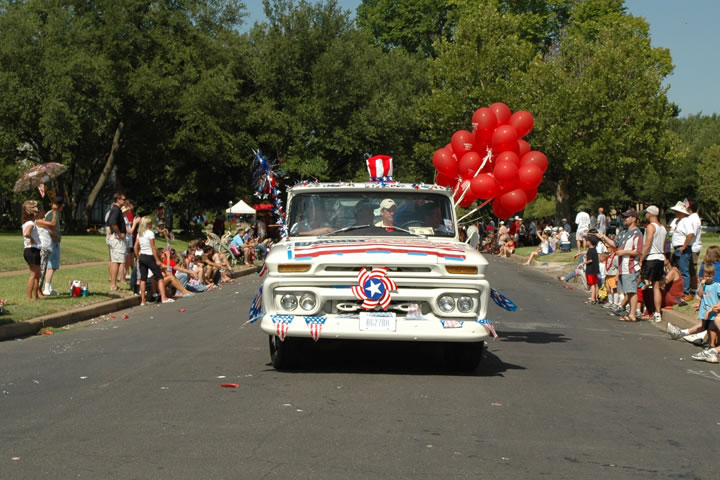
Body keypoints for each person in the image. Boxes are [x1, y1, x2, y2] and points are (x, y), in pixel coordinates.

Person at [667, 264, 720, 361]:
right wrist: (701, 285)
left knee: (712, 329)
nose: (708, 278)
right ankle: (710, 345)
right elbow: (700, 294)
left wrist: (715, 307)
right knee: (707, 327)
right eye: (706, 276)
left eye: (710, 276)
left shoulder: (716, 286)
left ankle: (712, 345)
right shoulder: (704, 285)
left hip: (712, 312)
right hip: (704, 310)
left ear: (713, 275)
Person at [599, 209, 643, 322]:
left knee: (632, 291)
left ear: (634, 218)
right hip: (622, 267)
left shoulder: (637, 234)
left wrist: (624, 252)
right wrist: (603, 236)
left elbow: (639, 252)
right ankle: (629, 312)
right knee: (627, 291)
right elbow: (614, 244)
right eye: (624, 217)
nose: (624, 219)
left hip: (631, 266)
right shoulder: (623, 232)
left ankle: (632, 315)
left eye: (627, 217)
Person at [134, 216, 174, 306]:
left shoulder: (139, 233)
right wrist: (157, 260)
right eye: (151, 223)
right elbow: (153, 247)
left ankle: (143, 300)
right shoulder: (150, 233)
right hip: (150, 256)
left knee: (143, 279)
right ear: (148, 224)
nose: (152, 224)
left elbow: (135, 246)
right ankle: (164, 297)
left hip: (142, 256)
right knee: (159, 277)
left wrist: (138, 256)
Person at [639, 206, 667, 322]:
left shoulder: (651, 227)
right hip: (660, 257)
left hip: (651, 257)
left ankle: (630, 304)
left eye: (647, 213)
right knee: (656, 286)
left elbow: (647, 244)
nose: (646, 215)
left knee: (638, 280)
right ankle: (657, 312)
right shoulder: (663, 228)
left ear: (650, 214)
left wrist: (641, 259)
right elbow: (664, 244)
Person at [669, 201, 695, 301]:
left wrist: (684, 246)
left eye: (676, 211)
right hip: (679, 248)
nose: (675, 213)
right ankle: (681, 291)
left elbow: (690, 233)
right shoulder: (680, 221)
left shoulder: (685, 221)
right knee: (680, 270)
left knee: (684, 271)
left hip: (682, 249)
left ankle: (685, 292)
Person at [41, 196, 64, 295]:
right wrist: (55, 237)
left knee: (53, 266)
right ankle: (46, 288)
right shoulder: (51, 214)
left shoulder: (56, 213)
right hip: (52, 242)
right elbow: (49, 227)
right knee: (51, 266)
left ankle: (49, 287)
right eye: (62, 205)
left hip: (54, 241)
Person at [21, 200, 44, 301]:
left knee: (38, 275)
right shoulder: (30, 223)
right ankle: (29, 297)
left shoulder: (27, 222)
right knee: (33, 275)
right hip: (32, 250)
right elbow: (26, 233)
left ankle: (36, 296)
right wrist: (32, 239)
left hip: (33, 250)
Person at [106, 192, 128, 291]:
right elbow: (113, 223)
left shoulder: (116, 210)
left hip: (115, 238)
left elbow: (108, 224)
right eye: (123, 199)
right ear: (118, 200)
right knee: (116, 262)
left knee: (117, 261)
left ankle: (114, 284)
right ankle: (113, 285)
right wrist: (119, 233)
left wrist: (110, 234)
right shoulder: (116, 210)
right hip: (117, 239)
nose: (124, 201)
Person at [687, 200, 702, 295]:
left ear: (690, 208)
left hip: (693, 247)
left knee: (692, 269)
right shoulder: (692, 218)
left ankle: (693, 290)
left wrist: (685, 245)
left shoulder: (693, 219)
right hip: (693, 246)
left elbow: (692, 233)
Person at [582, 235, 600, 304]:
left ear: (590, 242)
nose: (586, 242)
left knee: (592, 284)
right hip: (595, 269)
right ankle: (595, 298)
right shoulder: (594, 249)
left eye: (587, 241)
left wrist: (583, 263)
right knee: (595, 284)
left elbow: (590, 260)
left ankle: (592, 299)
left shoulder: (590, 250)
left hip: (590, 269)